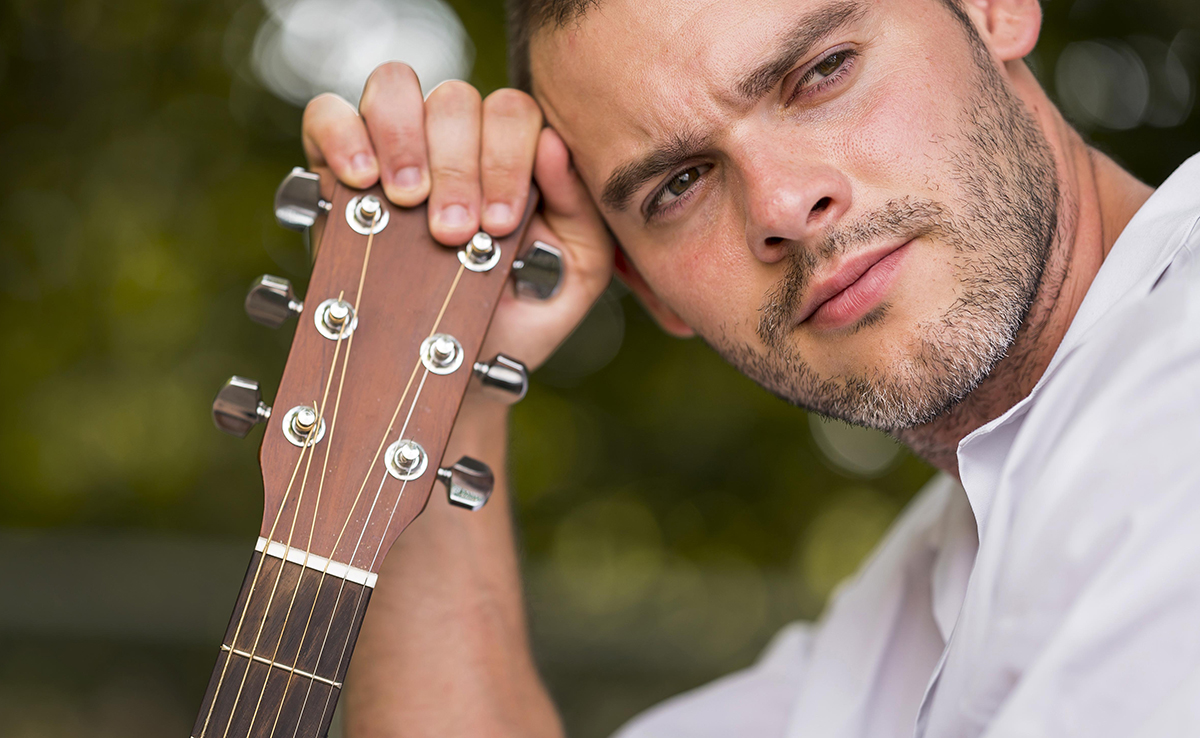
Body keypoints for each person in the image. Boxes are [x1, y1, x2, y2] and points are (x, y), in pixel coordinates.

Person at [300, 0, 1200, 735]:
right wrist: (432, 381)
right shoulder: (899, 619)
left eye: (822, 72)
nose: (782, 204)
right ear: (647, 288)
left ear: (992, 8)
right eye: (679, 185)